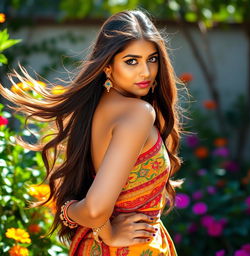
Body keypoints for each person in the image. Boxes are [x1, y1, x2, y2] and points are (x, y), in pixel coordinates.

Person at [0, 9, 183, 256]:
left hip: (92, 246)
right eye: (131, 61)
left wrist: (73, 212)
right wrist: (109, 232)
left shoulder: (93, 111)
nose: (146, 72)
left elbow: (91, 208)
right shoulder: (138, 113)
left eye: (152, 59)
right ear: (107, 66)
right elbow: (96, 209)